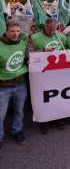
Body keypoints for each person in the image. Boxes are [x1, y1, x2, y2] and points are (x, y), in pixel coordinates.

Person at [26, 18, 67, 134]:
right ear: (44, 26)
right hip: (42, 74)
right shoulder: (34, 38)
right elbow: (28, 55)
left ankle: (60, 118)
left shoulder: (61, 37)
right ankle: (45, 121)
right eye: (49, 30)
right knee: (45, 97)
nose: (51, 33)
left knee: (60, 95)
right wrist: (43, 51)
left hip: (59, 73)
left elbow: (65, 52)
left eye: (54, 30)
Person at [0, 20, 28, 148]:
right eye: (12, 31)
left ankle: (17, 131)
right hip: (3, 87)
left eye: (17, 31)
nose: (15, 34)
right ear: (5, 31)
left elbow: (29, 57)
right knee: (1, 115)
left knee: (19, 111)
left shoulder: (23, 44)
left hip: (20, 85)